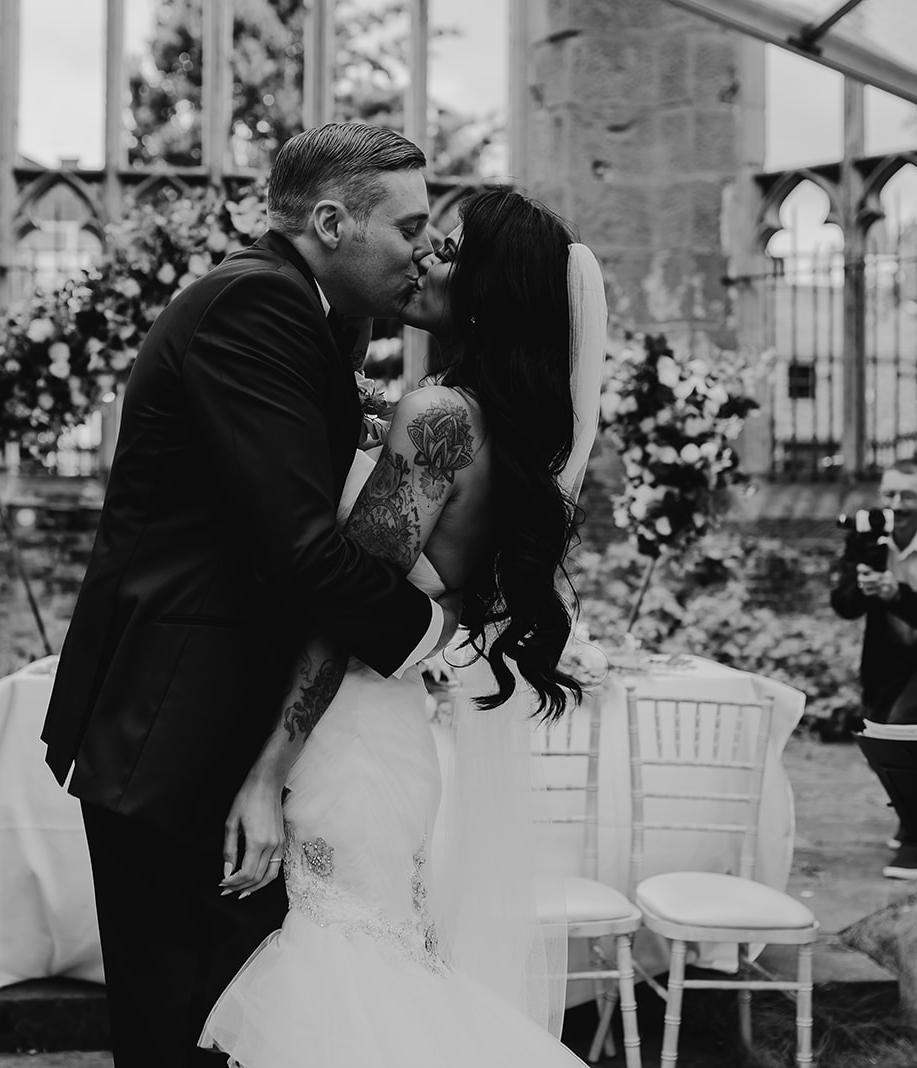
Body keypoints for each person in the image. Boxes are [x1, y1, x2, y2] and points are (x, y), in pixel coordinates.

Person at [40, 122, 461, 1068]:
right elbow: (300, 552)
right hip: (179, 726)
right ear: (329, 220)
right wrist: (438, 632)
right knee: (184, 1024)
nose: (425, 252)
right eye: (409, 229)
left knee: (236, 1022)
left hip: (214, 722)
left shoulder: (309, 312)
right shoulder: (255, 309)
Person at [199, 186, 607, 1066]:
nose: (423, 257)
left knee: (346, 990)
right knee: (375, 975)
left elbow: (351, 608)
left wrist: (268, 772)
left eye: (450, 251)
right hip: (385, 735)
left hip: (348, 743)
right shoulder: (474, 419)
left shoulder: (443, 419)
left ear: (493, 292)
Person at [831, 458, 917, 879]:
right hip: (887, 655)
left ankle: (916, 841)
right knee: (877, 739)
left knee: (903, 729)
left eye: (908, 495)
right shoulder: (867, 531)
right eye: (890, 494)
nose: (897, 503)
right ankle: (915, 811)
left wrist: (897, 594)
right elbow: (842, 606)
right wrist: (861, 588)